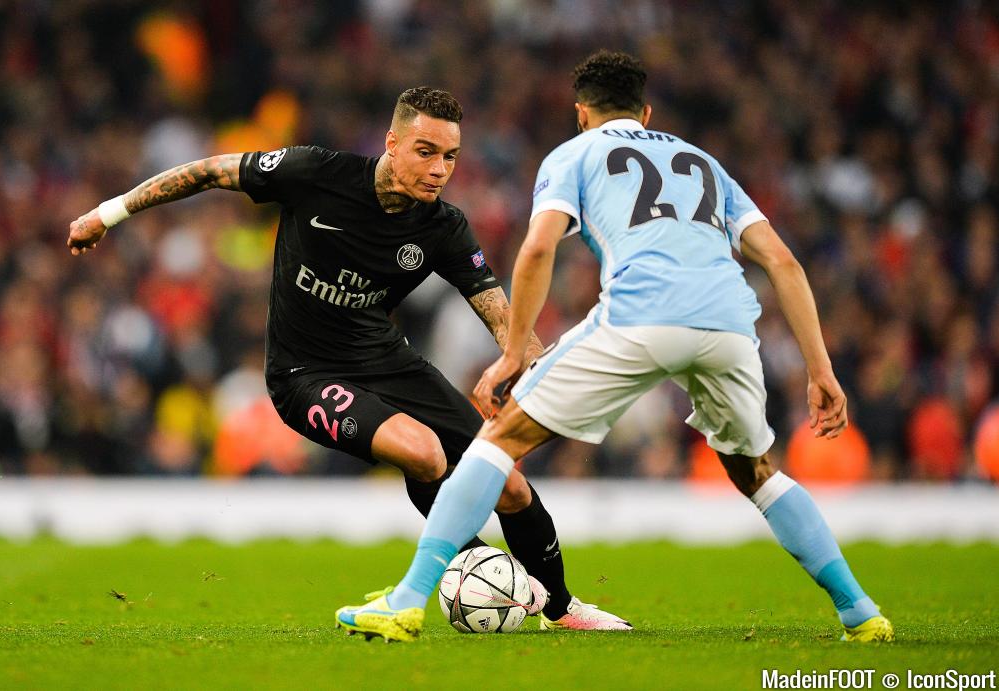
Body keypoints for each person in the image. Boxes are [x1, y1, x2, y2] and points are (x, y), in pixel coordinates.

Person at [336, 52, 895, 643]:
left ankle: (406, 601)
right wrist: (820, 368)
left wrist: (510, 354)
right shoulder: (703, 164)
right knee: (757, 472)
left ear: (581, 113)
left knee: (498, 442)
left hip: (640, 317)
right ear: (646, 112)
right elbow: (781, 259)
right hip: (729, 325)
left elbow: (537, 250)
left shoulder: (573, 154)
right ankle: (860, 611)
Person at [67, 86, 630, 632]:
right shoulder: (316, 174)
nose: (439, 169)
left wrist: (543, 381)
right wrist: (110, 213)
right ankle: (488, 572)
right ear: (391, 143)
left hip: (387, 362)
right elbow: (213, 170)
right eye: (426, 152)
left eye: (451, 157)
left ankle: (559, 604)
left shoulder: (442, 228)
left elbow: (504, 319)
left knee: (505, 480)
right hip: (303, 375)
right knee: (424, 452)